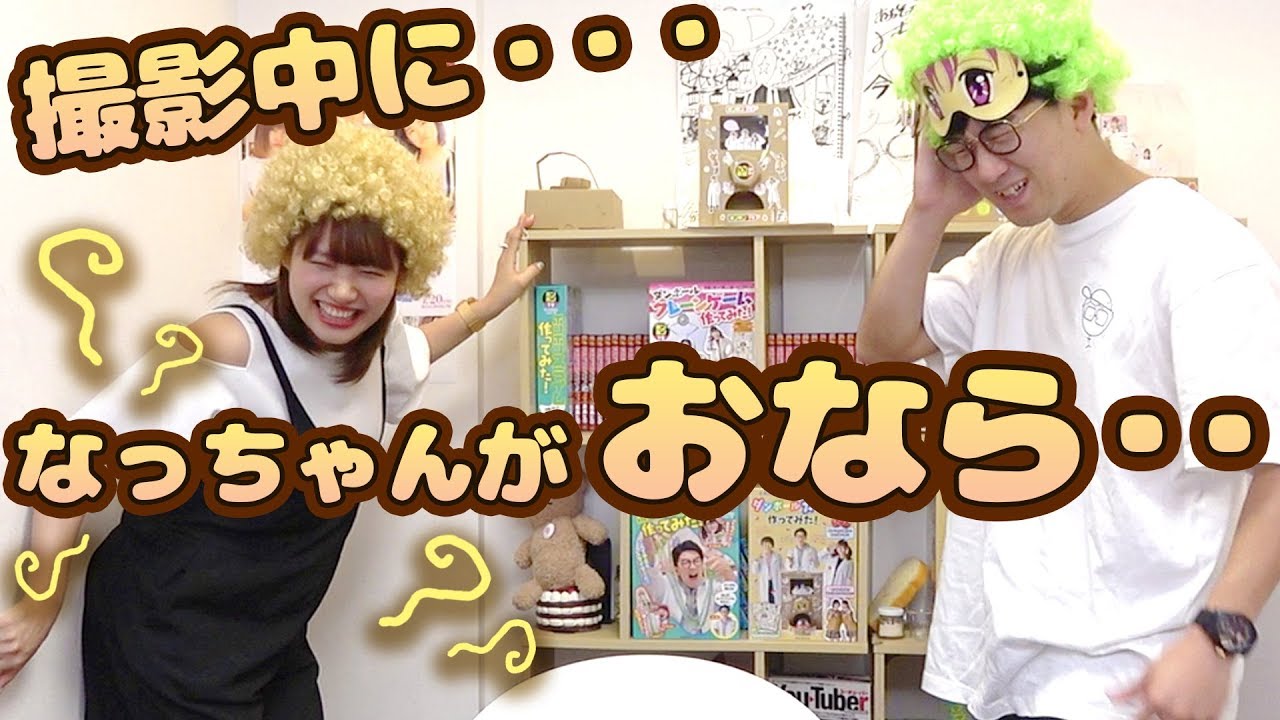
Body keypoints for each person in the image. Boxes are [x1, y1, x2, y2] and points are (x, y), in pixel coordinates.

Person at [0, 121, 545, 717]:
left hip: (272, 637)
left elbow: (419, 350)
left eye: (371, 272)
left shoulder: (378, 346)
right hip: (167, 638)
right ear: (285, 250)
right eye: (323, 261)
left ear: (402, 275)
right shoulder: (228, 344)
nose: (344, 292)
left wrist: (491, 304)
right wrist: (39, 604)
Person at [858, 1, 1280, 719]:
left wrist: (1218, 637)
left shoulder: (1202, 253)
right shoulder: (1005, 255)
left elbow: (1273, 469)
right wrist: (927, 209)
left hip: (1130, 682)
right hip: (1003, 674)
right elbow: (882, 346)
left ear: (1080, 102)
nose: (987, 170)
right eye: (963, 150)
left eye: (1001, 134)